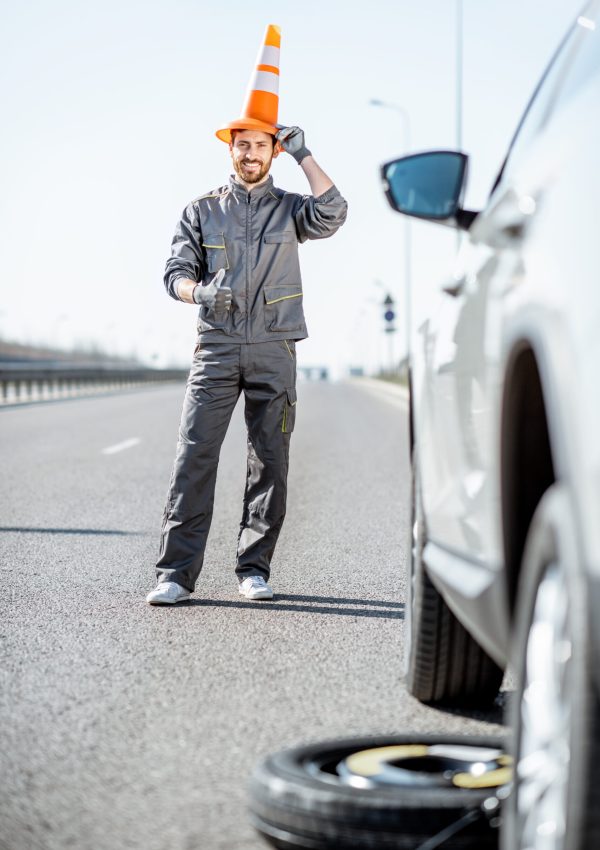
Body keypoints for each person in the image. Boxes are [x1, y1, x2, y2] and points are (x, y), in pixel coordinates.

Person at [146, 123, 347, 605]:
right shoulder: (202, 210)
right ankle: (174, 574)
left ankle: (253, 569)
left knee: (269, 460)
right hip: (216, 348)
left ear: (272, 152)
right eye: (243, 146)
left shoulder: (293, 209)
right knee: (193, 458)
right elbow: (174, 274)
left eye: (260, 146)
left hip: (274, 348)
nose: (250, 154)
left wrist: (305, 154)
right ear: (230, 150)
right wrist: (199, 292)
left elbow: (335, 212)